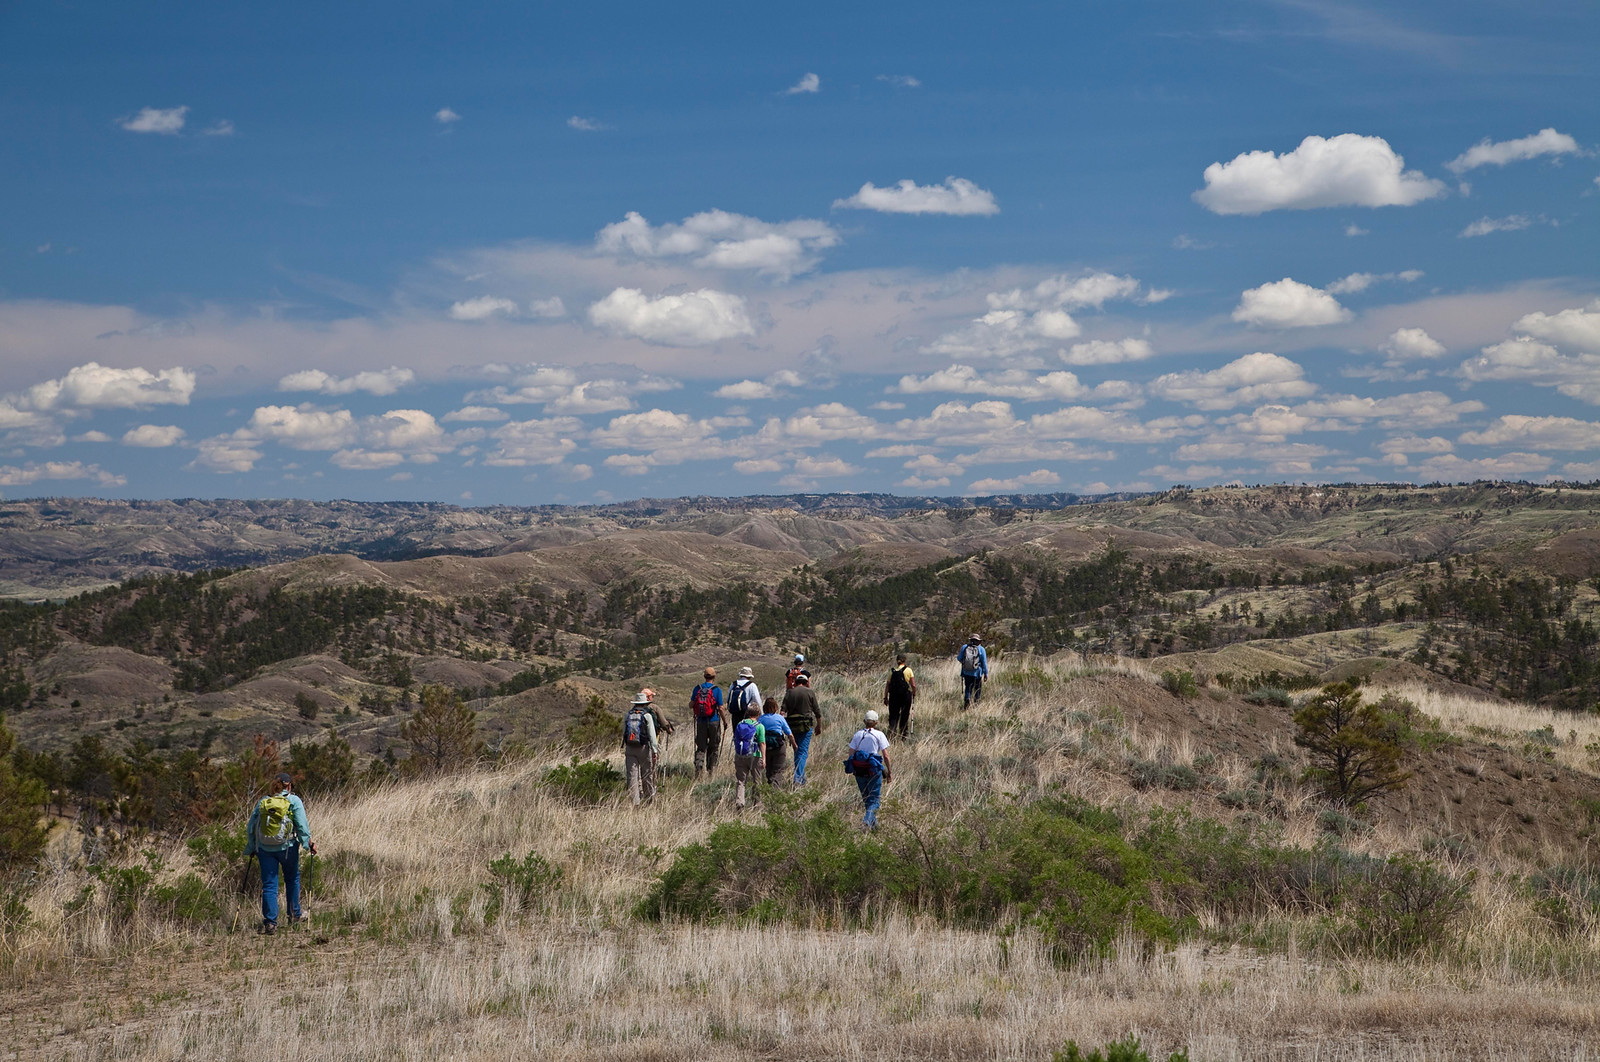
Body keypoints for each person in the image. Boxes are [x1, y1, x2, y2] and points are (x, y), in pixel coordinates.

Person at [245, 772, 315, 935]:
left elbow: (251, 827)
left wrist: (252, 848)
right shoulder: (294, 801)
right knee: (292, 879)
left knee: (269, 884)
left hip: (265, 849)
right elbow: (302, 826)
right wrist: (308, 844)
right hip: (288, 848)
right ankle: (294, 914)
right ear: (289, 786)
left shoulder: (263, 801)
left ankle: (270, 922)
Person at [846, 710, 892, 830]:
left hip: (859, 770)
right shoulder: (879, 735)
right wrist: (889, 772)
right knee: (874, 799)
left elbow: (851, 752)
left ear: (864, 721)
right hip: (873, 770)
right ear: (876, 723)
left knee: (866, 798)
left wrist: (852, 767)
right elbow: (886, 755)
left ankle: (873, 827)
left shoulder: (858, 734)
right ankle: (867, 821)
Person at [782, 672, 824, 785]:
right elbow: (817, 711)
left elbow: (782, 712)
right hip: (806, 726)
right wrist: (819, 725)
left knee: (797, 750)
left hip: (792, 726)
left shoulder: (789, 692)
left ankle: (802, 778)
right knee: (803, 751)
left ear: (795, 682)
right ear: (806, 683)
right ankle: (798, 779)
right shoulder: (810, 692)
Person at [621, 692, 659, 806]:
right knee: (646, 774)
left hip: (630, 748)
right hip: (643, 748)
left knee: (632, 776)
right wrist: (655, 750)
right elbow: (652, 735)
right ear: (645, 703)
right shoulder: (647, 716)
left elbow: (624, 732)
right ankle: (648, 800)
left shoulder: (628, 715)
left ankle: (635, 803)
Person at [689, 667, 727, 777]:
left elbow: (690, 704)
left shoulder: (697, 688)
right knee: (714, 746)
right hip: (714, 721)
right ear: (714, 677)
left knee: (701, 747)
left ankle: (699, 770)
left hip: (701, 721)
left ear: (704, 676)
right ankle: (712, 772)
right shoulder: (716, 690)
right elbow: (720, 708)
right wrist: (725, 721)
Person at [730, 704, 765, 809]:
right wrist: (764, 758)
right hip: (755, 755)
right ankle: (757, 804)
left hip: (740, 755)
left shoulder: (740, 724)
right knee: (757, 780)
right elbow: (762, 743)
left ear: (748, 713)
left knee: (741, 781)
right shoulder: (759, 726)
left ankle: (740, 802)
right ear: (758, 714)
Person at [757, 695, 797, 785]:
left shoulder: (760, 719)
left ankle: (770, 785)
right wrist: (794, 745)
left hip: (765, 747)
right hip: (779, 746)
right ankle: (775, 789)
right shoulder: (779, 718)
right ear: (775, 707)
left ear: (764, 708)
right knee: (778, 770)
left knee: (769, 770)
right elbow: (789, 734)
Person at [882, 653, 917, 738]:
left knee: (893, 716)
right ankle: (903, 736)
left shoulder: (892, 671)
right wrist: (914, 693)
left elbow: (887, 685)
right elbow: (913, 684)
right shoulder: (908, 670)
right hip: (905, 696)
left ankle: (892, 735)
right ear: (904, 660)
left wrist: (886, 697)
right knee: (904, 716)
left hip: (893, 697)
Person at [957, 634, 988, 709]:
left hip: (966, 672)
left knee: (968, 688)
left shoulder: (964, 647)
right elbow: (984, 663)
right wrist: (986, 673)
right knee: (977, 688)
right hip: (977, 673)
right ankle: (976, 704)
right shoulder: (981, 649)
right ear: (978, 641)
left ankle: (967, 701)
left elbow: (959, 658)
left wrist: (965, 663)